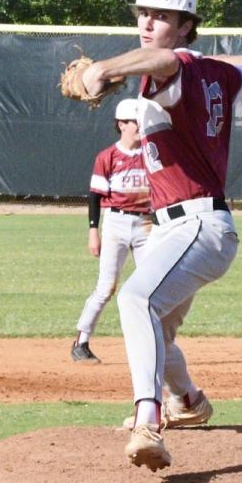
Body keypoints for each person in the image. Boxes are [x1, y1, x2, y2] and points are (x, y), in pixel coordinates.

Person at [79, 0, 242, 470]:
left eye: (162, 16)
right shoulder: (220, 76)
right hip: (179, 227)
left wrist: (104, 68)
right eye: (143, 13)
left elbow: (166, 61)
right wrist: (223, 62)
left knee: (134, 298)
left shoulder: (173, 71)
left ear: (187, 25)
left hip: (196, 223)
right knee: (157, 331)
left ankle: (147, 419)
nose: (148, 22)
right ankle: (187, 400)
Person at [71, 98, 152, 364]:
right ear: (121, 125)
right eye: (133, 121)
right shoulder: (107, 157)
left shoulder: (152, 154)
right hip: (116, 223)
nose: (139, 125)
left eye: (140, 121)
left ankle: (151, 342)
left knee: (151, 286)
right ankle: (81, 341)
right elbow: (95, 196)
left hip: (146, 224)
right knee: (106, 287)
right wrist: (93, 230)